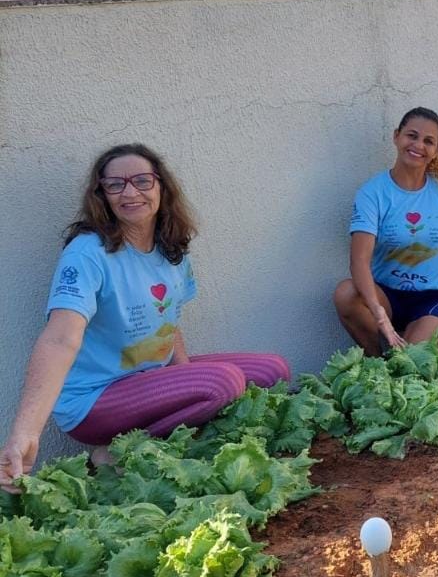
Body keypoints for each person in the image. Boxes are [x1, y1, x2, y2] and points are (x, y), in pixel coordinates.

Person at [0, 144, 290, 490]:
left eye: (142, 181)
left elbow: (169, 324)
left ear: (161, 187)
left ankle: (176, 448)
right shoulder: (88, 253)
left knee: (273, 370)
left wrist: (187, 383)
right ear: (102, 195)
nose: (130, 192)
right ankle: (115, 453)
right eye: (115, 185)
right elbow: (61, 338)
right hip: (94, 399)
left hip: (148, 379)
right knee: (223, 382)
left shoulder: (171, 249)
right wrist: (25, 433)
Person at [334, 107, 438, 356]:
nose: (418, 145)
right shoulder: (373, 193)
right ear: (396, 136)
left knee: (411, 359)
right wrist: (377, 312)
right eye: (411, 136)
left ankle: (415, 345)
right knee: (346, 293)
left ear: (436, 151)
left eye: (428, 141)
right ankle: (372, 358)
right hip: (388, 295)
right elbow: (359, 260)